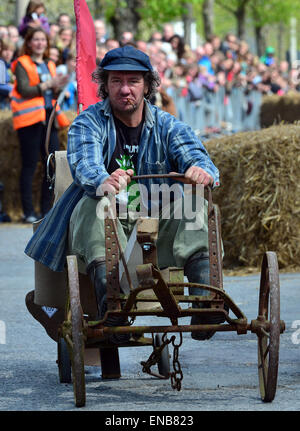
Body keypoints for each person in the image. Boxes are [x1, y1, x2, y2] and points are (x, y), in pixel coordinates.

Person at [25, 46, 224, 342]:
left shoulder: (166, 125)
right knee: (94, 204)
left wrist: (200, 170)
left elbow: (195, 154)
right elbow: (85, 162)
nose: (125, 89)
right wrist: (103, 179)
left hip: (156, 228)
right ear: (105, 85)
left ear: (147, 85)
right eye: (116, 81)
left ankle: (205, 301)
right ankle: (112, 304)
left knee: (195, 204)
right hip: (110, 227)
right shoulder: (89, 121)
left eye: (133, 81)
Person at [10, 27, 70, 223]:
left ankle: (47, 209)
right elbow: (25, 89)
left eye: (42, 40)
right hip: (30, 121)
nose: (39, 43)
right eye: (35, 39)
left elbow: (52, 91)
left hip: (48, 118)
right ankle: (28, 211)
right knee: (29, 165)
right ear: (29, 42)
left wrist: (60, 86)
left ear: (46, 43)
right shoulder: (22, 63)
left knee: (51, 163)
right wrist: (47, 84)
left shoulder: (50, 64)